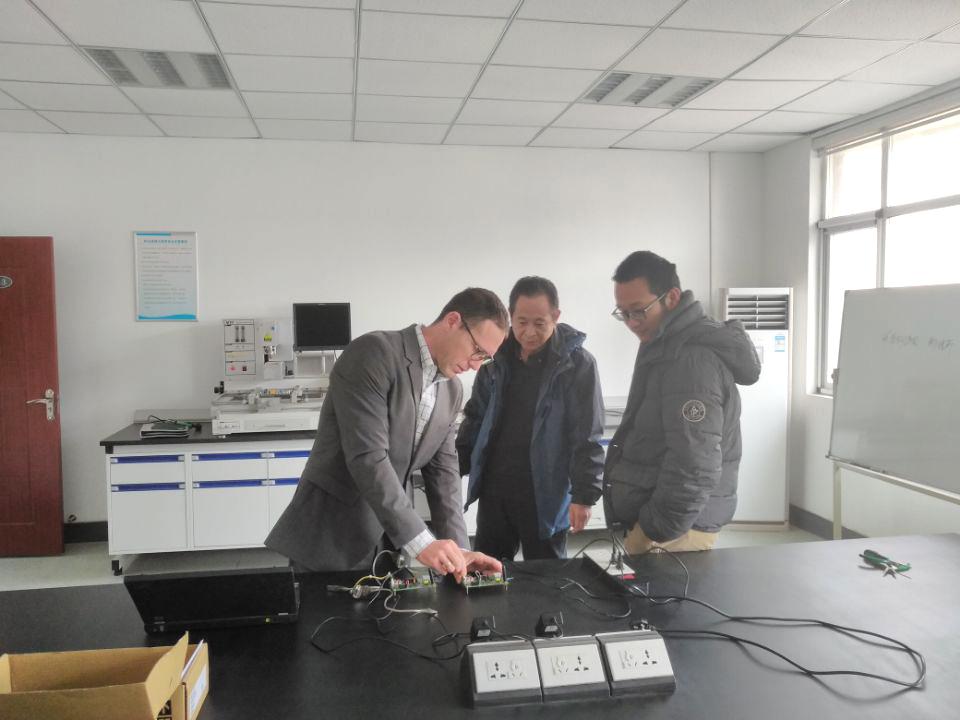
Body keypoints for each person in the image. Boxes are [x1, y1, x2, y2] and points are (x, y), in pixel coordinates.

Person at [266, 288, 508, 581]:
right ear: (453, 321)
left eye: (485, 358)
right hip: (331, 537)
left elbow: (444, 475)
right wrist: (421, 541)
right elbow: (367, 456)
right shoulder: (374, 353)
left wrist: (460, 552)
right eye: (477, 350)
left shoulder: (451, 389)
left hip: (388, 543)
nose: (476, 365)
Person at [603, 251, 761, 554]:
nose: (631, 322)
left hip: (677, 528)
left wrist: (653, 529)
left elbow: (695, 463)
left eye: (638, 311)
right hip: (669, 521)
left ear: (672, 298)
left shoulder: (691, 361)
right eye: (623, 313)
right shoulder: (663, 343)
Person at [456, 277, 604, 561]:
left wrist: (584, 496)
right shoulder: (494, 356)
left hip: (546, 492)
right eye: (522, 322)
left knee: (547, 576)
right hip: (495, 489)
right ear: (510, 316)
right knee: (487, 570)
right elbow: (476, 416)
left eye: (540, 323)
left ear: (556, 316)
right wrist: (455, 467)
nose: (529, 332)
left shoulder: (577, 364)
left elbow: (587, 433)